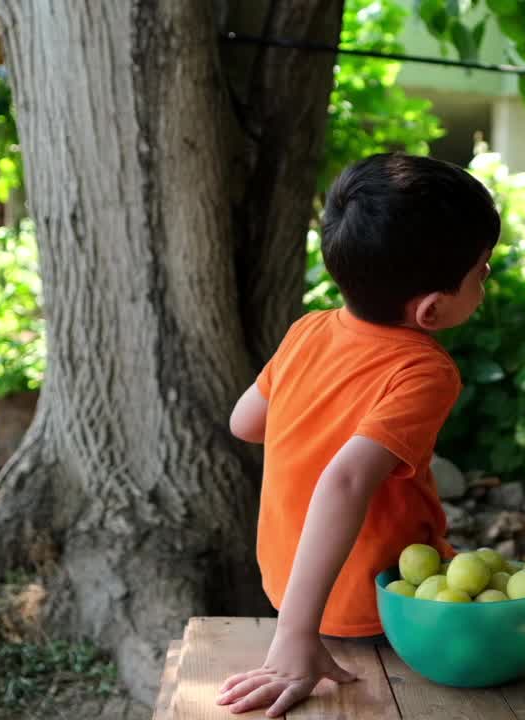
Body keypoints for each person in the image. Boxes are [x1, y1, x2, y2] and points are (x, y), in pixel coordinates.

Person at [215, 153, 500, 716]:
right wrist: (297, 637)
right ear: (432, 309)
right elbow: (344, 480)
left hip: (287, 584)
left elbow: (244, 422)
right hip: (373, 606)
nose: (487, 279)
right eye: (482, 271)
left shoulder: (309, 330)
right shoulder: (424, 370)